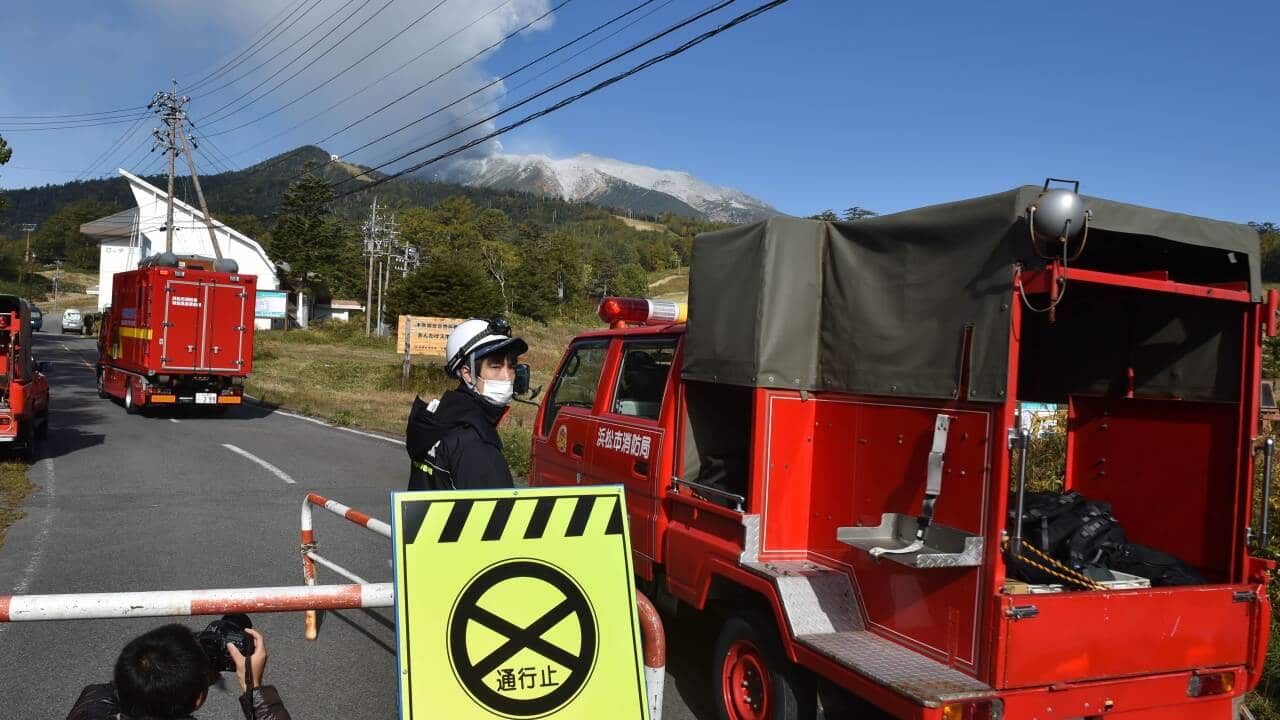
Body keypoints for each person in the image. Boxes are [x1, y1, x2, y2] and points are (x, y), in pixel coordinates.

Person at [66, 624, 290, 720]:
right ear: (199, 699)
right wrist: (253, 687)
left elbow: (131, 682)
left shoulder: (93, 703)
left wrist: (186, 667)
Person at [406, 317, 528, 491]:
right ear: (468, 374)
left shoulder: (437, 421)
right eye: (496, 367)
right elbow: (500, 512)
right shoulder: (475, 443)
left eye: (512, 367)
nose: (507, 377)